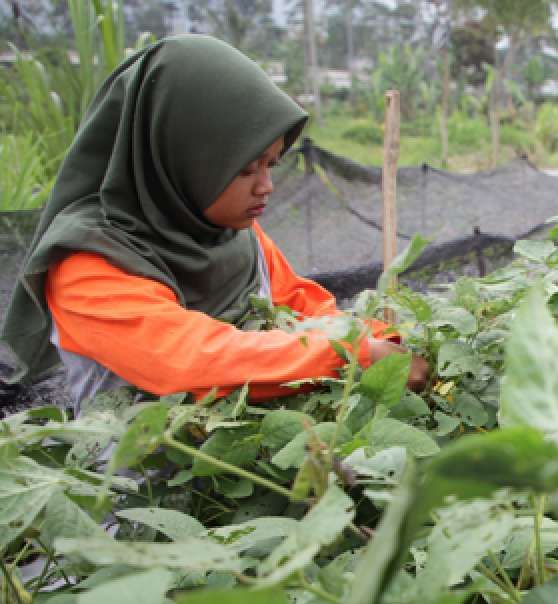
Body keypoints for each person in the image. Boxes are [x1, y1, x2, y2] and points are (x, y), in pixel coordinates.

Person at [1, 35, 428, 413]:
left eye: (272, 165)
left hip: (245, 475)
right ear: (183, 157)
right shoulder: (87, 263)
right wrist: (354, 356)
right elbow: (190, 359)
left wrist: (383, 337)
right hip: (142, 489)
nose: (266, 187)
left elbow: (300, 304)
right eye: (245, 171)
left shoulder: (234, 232)